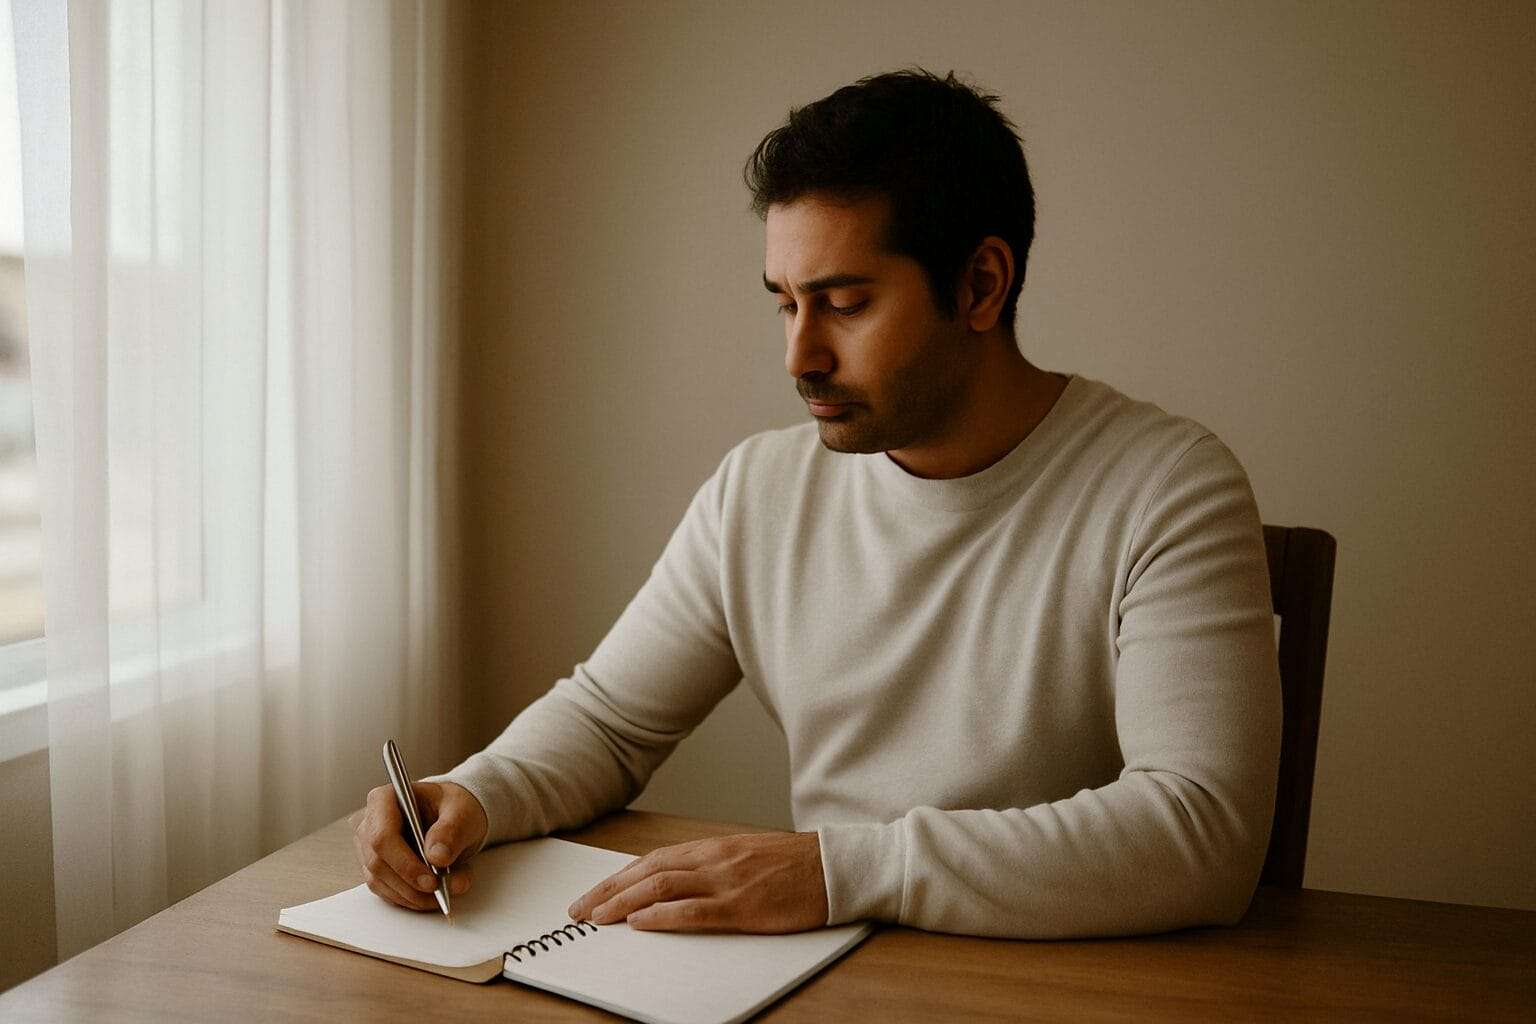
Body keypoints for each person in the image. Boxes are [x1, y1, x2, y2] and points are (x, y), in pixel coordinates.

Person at [353, 69, 1281, 939]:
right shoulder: (760, 491)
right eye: (786, 304)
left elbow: (1201, 831)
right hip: (824, 975)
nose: (800, 357)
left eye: (843, 302)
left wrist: (842, 872)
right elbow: (609, 722)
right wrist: (472, 795)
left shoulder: (1168, 488)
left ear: (981, 285)